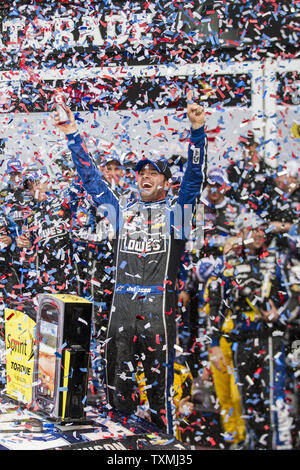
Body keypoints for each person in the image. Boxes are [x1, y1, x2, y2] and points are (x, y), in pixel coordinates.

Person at [53, 91, 207, 435]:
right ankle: (120, 444)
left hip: (157, 306)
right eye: (141, 172)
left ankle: (166, 443)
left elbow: (195, 178)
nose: (145, 176)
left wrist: (197, 130)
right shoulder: (123, 211)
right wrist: (71, 134)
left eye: (153, 173)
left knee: (157, 390)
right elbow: (92, 181)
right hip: (121, 304)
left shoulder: (177, 214)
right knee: (115, 385)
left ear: (167, 183)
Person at [219, 212, 293, 449]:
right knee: (247, 402)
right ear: (241, 234)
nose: (258, 234)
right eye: (252, 229)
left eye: (261, 229)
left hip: (271, 338)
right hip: (242, 341)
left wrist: (278, 313)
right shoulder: (232, 264)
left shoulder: (277, 260)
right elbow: (222, 303)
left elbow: (293, 296)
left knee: (274, 401)